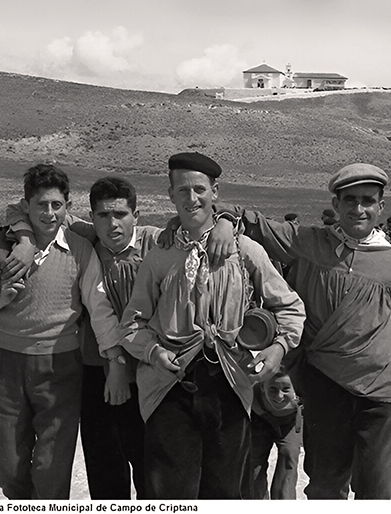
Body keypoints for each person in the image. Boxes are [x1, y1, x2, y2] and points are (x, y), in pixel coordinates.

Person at [0, 176, 236, 499]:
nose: (112, 224)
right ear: (91, 217)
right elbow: (21, 208)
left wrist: (225, 221)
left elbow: (200, 221)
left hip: (153, 374)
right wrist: (25, 240)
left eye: (121, 214)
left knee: (155, 473)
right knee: (105, 471)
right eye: (103, 215)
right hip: (99, 374)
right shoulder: (85, 238)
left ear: (136, 216)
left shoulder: (158, 242)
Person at [215, 163, 391, 499]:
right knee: (325, 484)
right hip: (324, 386)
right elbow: (252, 222)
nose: (358, 209)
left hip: (381, 389)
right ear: (336, 204)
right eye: (350, 200)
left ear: (381, 207)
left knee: (375, 489)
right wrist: (224, 220)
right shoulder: (309, 242)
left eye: (368, 200)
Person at [120, 152, 306, 499]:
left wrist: (277, 349)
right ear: (171, 195)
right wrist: (154, 352)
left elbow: (291, 308)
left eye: (199, 189)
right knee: (169, 490)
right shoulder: (160, 255)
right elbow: (132, 324)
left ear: (215, 192)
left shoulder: (245, 250)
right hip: (169, 388)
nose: (192, 199)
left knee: (224, 490)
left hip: (231, 387)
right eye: (183, 191)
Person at [0, 164, 124, 499]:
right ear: (26, 206)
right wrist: (1, 298)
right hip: (8, 366)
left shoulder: (81, 250)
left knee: (52, 464)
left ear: (68, 207)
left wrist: (114, 359)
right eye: (41, 205)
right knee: (8, 462)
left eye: (57, 205)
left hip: (61, 366)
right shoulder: (4, 246)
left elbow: (98, 307)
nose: (49, 213)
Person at [250, 365, 302, 500]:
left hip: (290, 423)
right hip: (260, 420)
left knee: (289, 453)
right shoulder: (252, 394)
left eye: (286, 389)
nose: (279, 396)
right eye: (272, 389)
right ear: (262, 387)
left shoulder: (303, 396)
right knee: (254, 459)